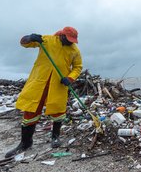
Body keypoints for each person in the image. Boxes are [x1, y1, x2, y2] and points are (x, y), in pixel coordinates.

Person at [5, 26, 83, 158]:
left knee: (58, 111)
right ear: (62, 35)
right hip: (39, 83)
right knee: (31, 110)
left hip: (58, 84)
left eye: (72, 41)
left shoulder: (74, 50)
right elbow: (24, 43)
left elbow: (78, 67)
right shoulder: (47, 40)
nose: (70, 42)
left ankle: (55, 137)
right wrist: (29, 37)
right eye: (68, 39)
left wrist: (70, 78)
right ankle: (25, 143)